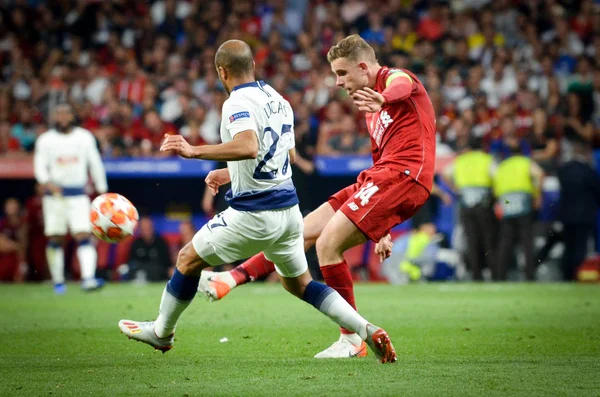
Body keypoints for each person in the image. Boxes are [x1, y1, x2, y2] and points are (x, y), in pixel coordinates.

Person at [118, 39, 397, 364]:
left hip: (253, 212)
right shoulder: (279, 100)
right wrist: (228, 173)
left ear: (222, 71)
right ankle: (365, 329)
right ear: (253, 66)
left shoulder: (236, 102)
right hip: (289, 213)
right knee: (301, 284)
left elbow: (249, 146)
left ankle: (162, 333)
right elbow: (282, 156)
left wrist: (194, 151)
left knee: (187, 259)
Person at [198, 34, 436, 359]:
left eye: (342, 73)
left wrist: (383, 99)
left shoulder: (395, 80)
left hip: (404, 176)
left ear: (363, 67)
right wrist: (383, 228)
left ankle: (351, 338)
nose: (338, 83)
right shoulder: (370, 113)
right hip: (381, 178)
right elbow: (380, 162)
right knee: (304, 230)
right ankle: (233, 277)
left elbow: (400, 86)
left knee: (327, 245)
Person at [34, 104, 108, 293]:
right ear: (55, 117)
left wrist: (102, 189)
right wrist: (46, 182)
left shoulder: (84, 137)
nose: (63, 117)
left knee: (83, 234)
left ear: (72, 116)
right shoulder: (46, 140)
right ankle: (58, 281)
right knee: (56, 237)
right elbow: (39, 166)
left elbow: (95, 163)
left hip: (78, 195)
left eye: (67, 113)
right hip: (54, 197)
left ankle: (88, 278)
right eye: (59, 114)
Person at [442, 137, 497, 281]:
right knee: (488, 239)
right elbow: (496, 176)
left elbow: (445, 173)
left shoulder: (460, 160)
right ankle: (495, 274)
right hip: (483, 203)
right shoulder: (486, 159)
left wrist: (455, 188)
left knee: (471, 241)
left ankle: (476, 275)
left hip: (465, 202)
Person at [493, 136, 544, 281]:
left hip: (507, 202)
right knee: (526, 242)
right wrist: (537, 195)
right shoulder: (526, 162)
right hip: (523, 202)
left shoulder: (502, 166)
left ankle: (500, 275)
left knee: (505, 242)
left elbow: (496, 185)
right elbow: (540, 175)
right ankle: (529, 275)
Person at [557, 136, 600, 281]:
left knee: (568, 247)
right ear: (586, 153)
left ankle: (566, 276)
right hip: (584, 216)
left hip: (566, 215)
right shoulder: (589, 171)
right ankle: (575, 275)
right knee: (580, 248)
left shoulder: (564, 170)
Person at [127, 217, 173, 282]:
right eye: (144, 229)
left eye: (148, 228)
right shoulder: (136, 243)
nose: (147, 231)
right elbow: (131, 262)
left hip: (158, 275)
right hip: (139, 275)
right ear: (140, 230)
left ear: (152, 228)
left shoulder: (161, 242)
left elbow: (167, 263)